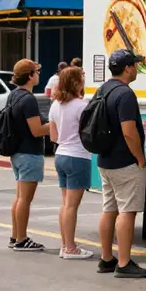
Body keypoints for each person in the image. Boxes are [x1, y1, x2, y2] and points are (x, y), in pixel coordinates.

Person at [96, 49, 146, 279]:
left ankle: (106, 258)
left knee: (109, 209)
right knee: (127, 212)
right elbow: (129, 132)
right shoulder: (125, 94)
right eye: (135, 65)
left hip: (105, 160)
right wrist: (140, 158)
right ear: (128, 68)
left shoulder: (104, 89)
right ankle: (124, 262)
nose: (137, 69)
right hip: (124, 162)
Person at [49, 66, 93, 259]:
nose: (84, 81)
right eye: (82, 78)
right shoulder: (81, 106)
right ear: (75, 82)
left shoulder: (55, 105)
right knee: (72, 206)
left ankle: (65, 244)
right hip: (78, 156)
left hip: (61, 154)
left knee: (65, 203)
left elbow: (53, 135)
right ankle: (70, 248)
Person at [8, 59, 50, 252]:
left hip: (17, 152)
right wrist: (56, 125)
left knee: (19, 197)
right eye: (36, 72)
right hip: (29, 153)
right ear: (30, 75)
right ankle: (22, 239)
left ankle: (16, 235)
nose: (39, 75)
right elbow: (37, 130)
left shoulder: (14, 95)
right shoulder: (28, 100)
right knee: (25, 199)